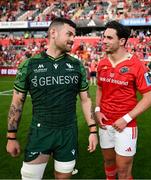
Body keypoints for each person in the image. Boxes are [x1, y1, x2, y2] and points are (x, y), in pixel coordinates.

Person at [6, 18, 98, 180]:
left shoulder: (77, 66)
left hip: (68, 133)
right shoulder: (29, 64)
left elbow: (85, 100)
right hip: (40, 132)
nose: (73, 39)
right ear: (53, 33)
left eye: (74, 35)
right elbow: (17, 102)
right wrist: (11, 136)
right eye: (69, 34)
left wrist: (92, 130)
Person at [95, 21, 151, 180]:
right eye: (103, 37)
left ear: (122, 41)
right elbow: (100, 88)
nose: (104, 41)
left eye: (109, 38)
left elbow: (150, 98)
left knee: (123, 170)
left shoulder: (136, 65)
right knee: (108, 162)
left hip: (126, 126)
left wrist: (126, 119)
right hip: (105, 123)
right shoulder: (102, 63)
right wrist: (97, 110)